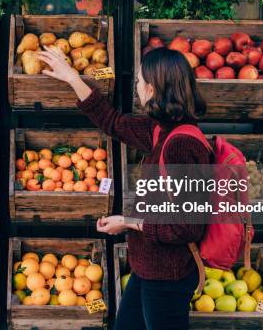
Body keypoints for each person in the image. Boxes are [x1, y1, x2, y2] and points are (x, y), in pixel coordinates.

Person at [38, 46, 211, 330]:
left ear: (153, 89)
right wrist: (72, 77)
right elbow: (112, 122)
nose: (137, 87)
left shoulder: (181, 144)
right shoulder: (159, 131)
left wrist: (128, 222)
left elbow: (186, 227)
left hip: (168, 276)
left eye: (140, 81)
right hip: (149, 267)